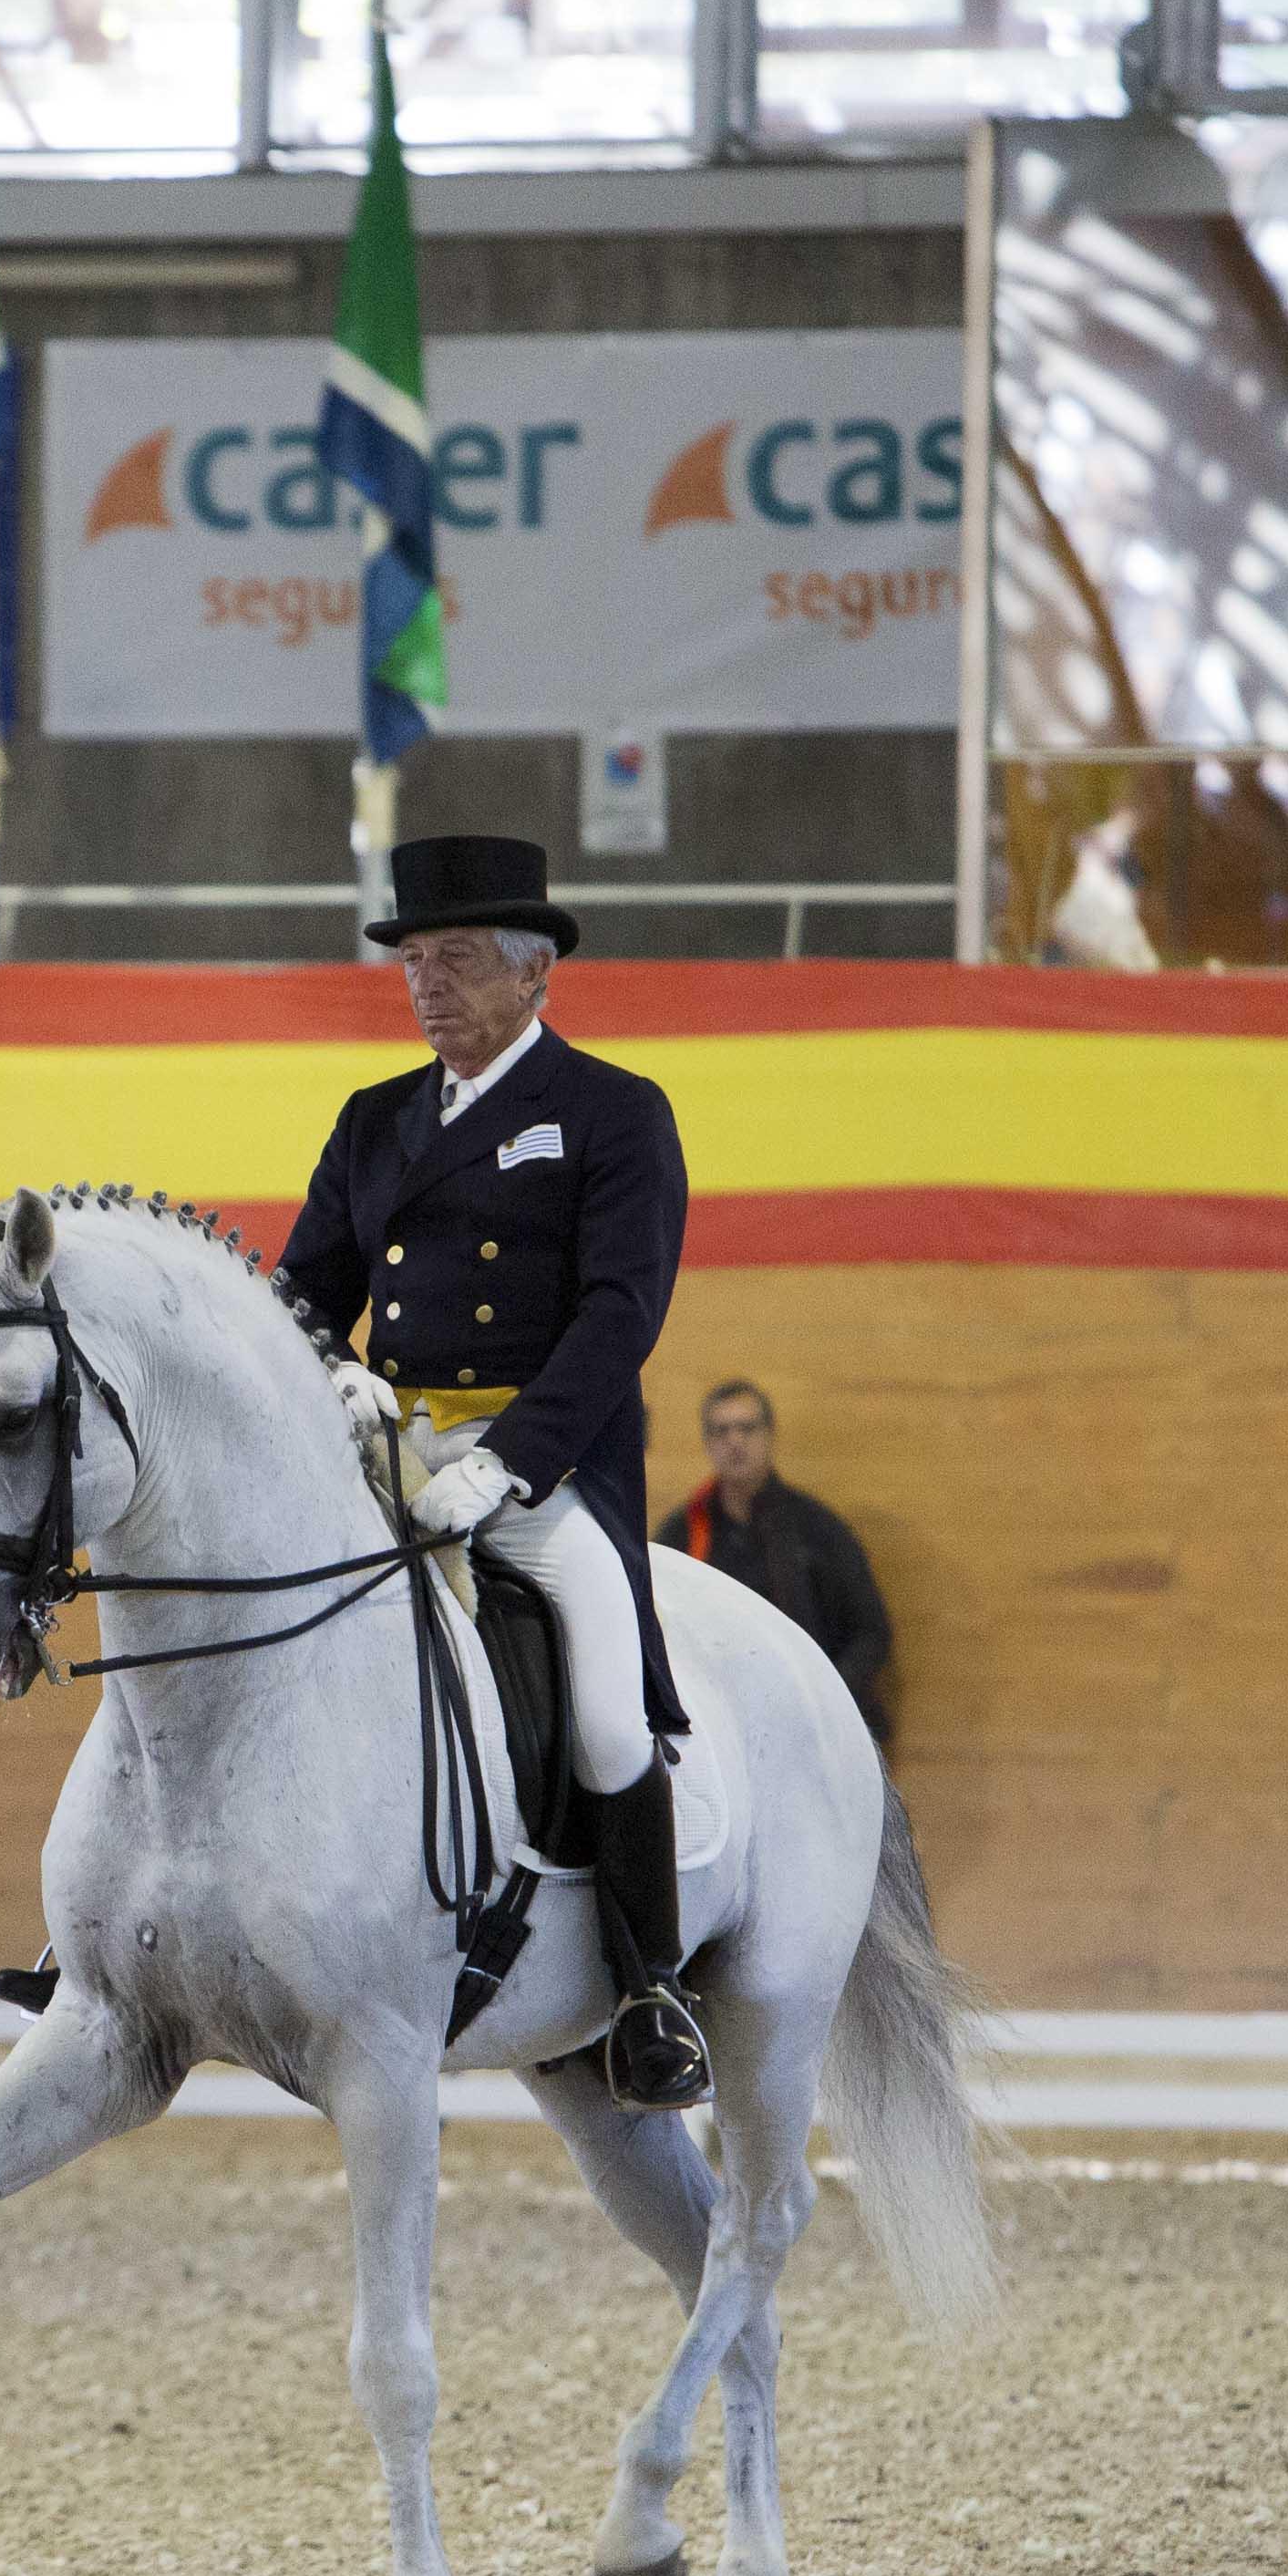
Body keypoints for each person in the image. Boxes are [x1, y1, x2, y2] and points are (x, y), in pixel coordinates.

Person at [273, 834, 707, 2111]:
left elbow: (621, 1313)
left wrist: (509, 1462)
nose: (426, 986)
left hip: (541, 1470)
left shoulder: (612, 1112)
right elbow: (299, 1291)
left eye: (455, 960)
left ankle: (650, 1988)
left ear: (535, 973)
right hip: (382, 1461)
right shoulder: (373, 1121)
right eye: (412, 961)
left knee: (607, 1704)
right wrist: (328, 1369)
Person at [660, 1381, 895, 1741]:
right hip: (719, 1728)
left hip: (817, 1724)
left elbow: (871, 1632)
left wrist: (826, 1695)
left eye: (747, 1428)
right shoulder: (682, 1536)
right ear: (707, 1443)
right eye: (721, 1431)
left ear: (769, 1435)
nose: (734, 1441)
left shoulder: (818, 1530)